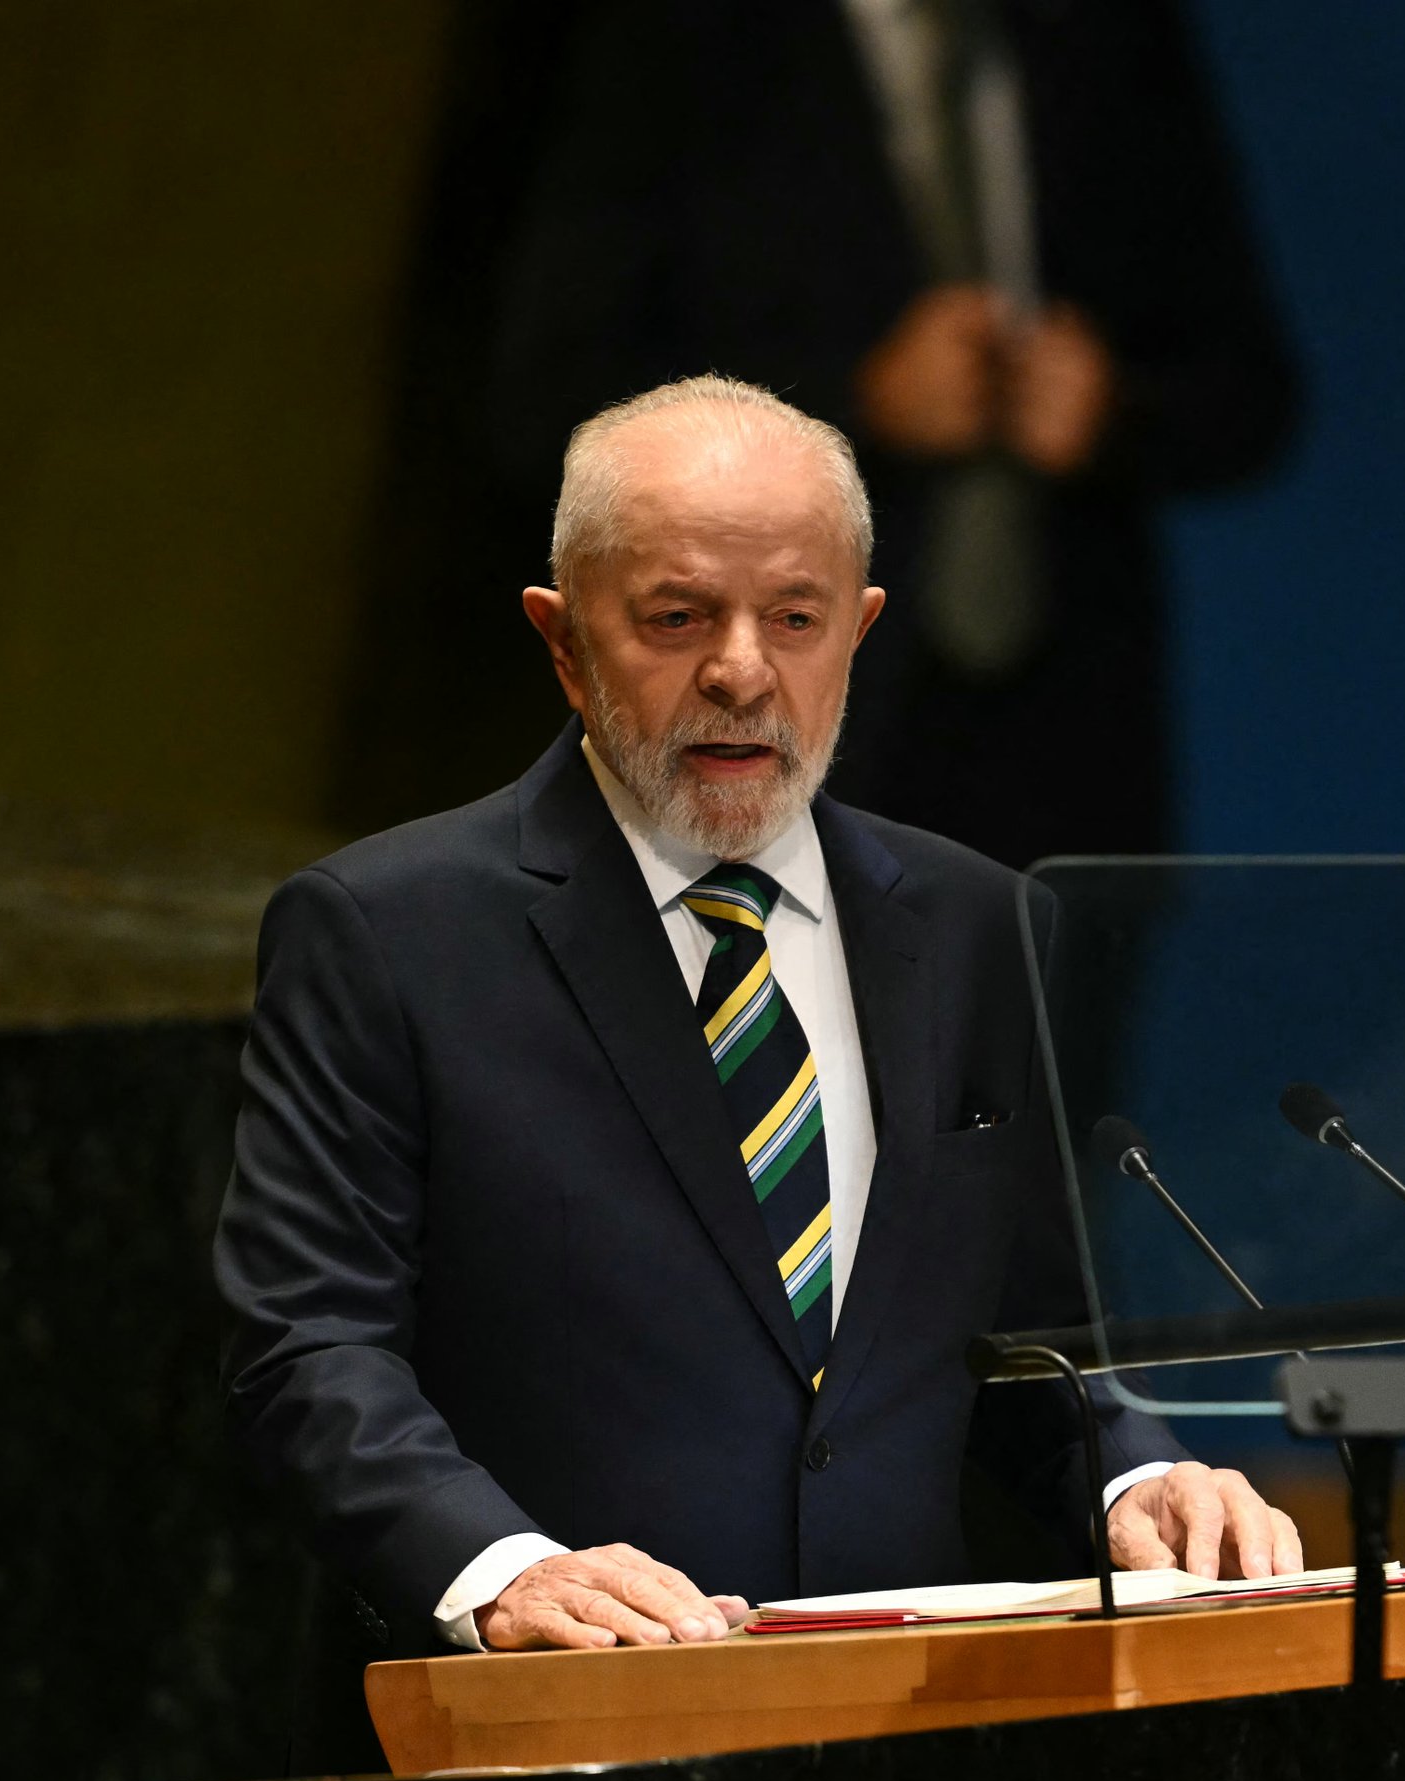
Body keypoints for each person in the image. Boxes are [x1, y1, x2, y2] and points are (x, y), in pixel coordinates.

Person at [220, 377, 1301, 1652]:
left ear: (861, 629)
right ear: (563, 642)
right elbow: (307, 1346)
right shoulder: (387, 932)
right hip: (541, 1743)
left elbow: (1027, 1341)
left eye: (795, 616)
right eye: (678, 617)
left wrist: (1139, 1477)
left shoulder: (978, 923)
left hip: (903, 1737)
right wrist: (501, 1569)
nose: (742, 670)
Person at [486, 0, 1299, 866]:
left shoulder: (1105, 36)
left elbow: (1250, 394)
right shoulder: (684, 39)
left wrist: (1114, 412)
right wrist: (851, 400)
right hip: (747, 737)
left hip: (1059, 763)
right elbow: (548, 401)